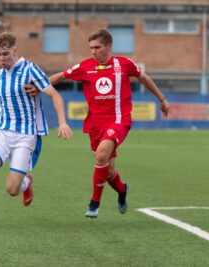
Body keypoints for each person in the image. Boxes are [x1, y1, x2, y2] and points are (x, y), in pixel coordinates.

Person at [24, 28, 170, 218]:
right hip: (95, 125)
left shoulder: (124, 64)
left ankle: (94, 203)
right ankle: (122, 189)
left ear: (109, 46)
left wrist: (161, 99)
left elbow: (142, 77)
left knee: (101, 156)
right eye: (91, 47)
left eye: (97, 47)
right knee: (108, 172)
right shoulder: (85, 66)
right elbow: (60, 76)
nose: (93, 51)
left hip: (119, 121)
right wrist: (40, 86)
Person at [0, 32, 73, 230]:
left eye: (5, 54)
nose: (2, 58)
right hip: (2, 132)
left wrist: (62, 122)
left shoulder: (30, 70)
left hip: (26, 136)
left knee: (12, 189)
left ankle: (26, 183)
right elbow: (2, 105)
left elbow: (55, 96)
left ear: (15, 51)